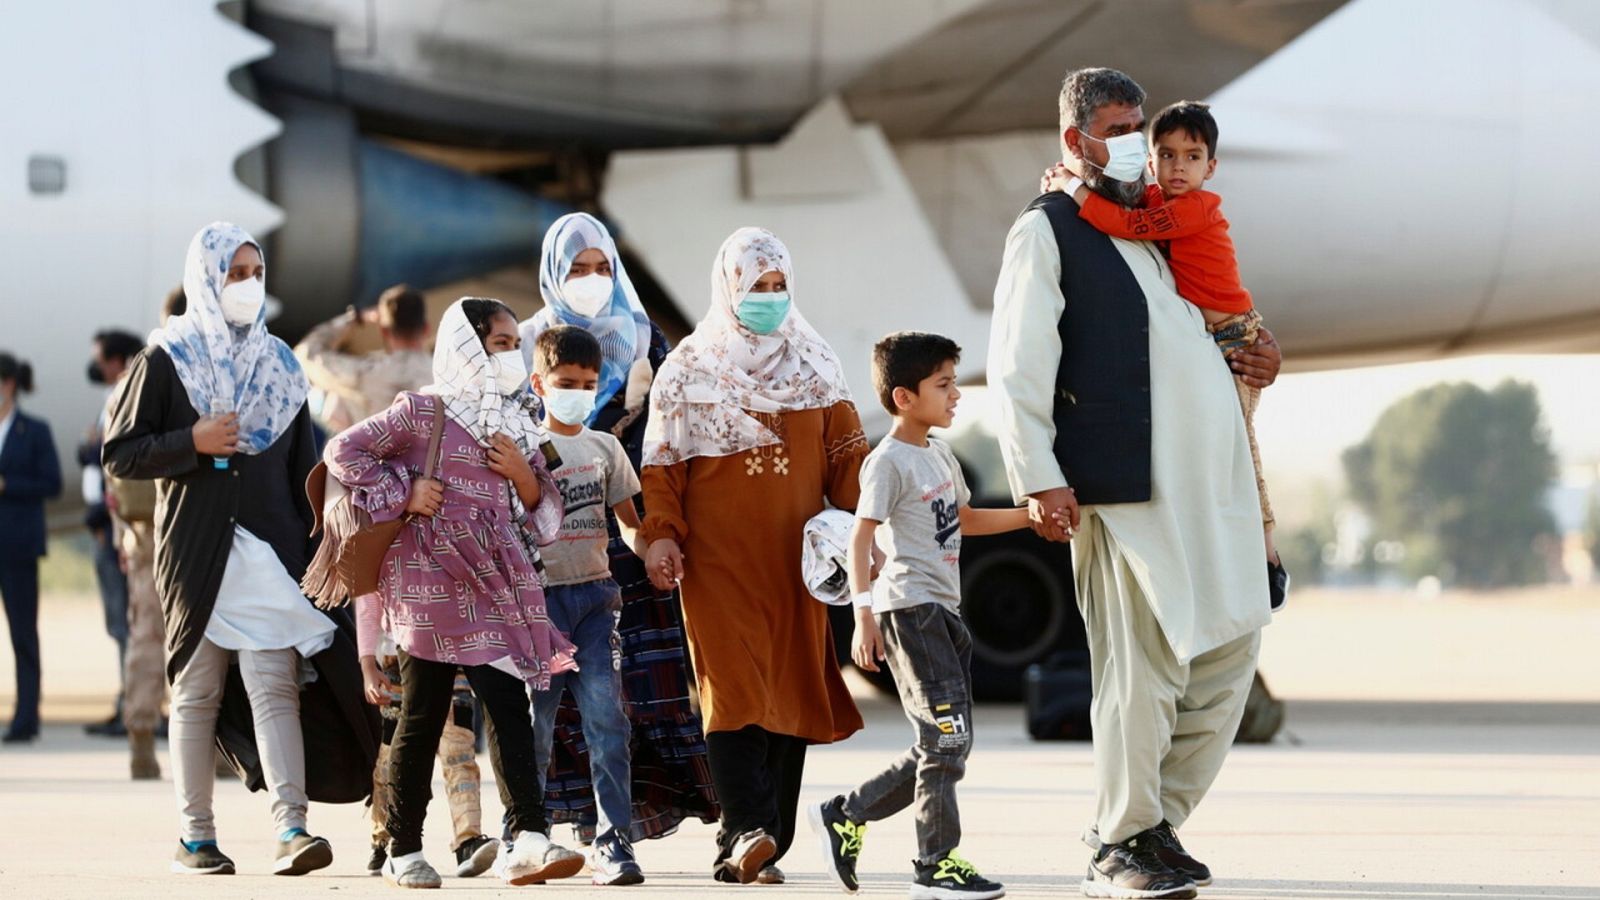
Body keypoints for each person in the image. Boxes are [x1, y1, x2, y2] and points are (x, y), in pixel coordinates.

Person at [987, 68, 1282, 899]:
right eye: (1116, 129)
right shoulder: (1048, 228)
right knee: (1140, 673)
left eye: (1137, 127)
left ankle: (1151, 825)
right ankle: (1121, 840)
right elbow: (1017, 366)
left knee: (1231, 649)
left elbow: (1209, 330)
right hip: (1123, 493)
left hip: (1208, 492)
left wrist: (1259, 357)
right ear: (1074, 139)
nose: (1132, 143)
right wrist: (1038, 478)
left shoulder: (1157, 223)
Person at [104, 222, 376, 877]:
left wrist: (324, 545)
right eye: (236, 273)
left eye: (256, 273)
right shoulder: (164, 360)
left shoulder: (279, 363)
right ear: (207, 277)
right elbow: (120, 452)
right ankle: (195, 838)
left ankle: (292, 828)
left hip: (269, 554)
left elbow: (304, 470)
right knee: (197, 690)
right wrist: (190, 442)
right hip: (196, 551)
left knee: (274, 685)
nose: (249, 285)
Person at [326, 297, 584, 890]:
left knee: (508, 706)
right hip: (428, 584)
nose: (510, 355)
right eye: (499, 344)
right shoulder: (421, 412)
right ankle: (403, 848)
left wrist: (523, 475)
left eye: (514, 344)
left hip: (495, 583)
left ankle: (530, 837)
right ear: (467, 346)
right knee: (422, 714)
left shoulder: (520, 421)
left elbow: (548, 516)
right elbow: (344, 452)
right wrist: (406, 490)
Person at [640, 227, 869, 884]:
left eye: (778, 285)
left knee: (790, 694)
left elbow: (847, 465)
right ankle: (746, 826)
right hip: (716, 566)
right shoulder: (687, 370)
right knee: (734, 691)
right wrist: (662, 533)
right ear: (728, 287)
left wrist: (880, 512)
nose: (769, 297)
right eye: (756, 286)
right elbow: (663, 465)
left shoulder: (817, 365)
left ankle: (759, 843)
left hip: (799, 567)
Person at [519, 212, 718, 852]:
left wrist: (660, 532)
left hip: (628, 538)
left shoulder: (643, 341)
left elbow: (672, 441)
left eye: (602, 267)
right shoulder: (525, 345)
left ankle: (620, 825)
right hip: (547, 550)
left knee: (631, 691)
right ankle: (548, 826)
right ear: (554, 273)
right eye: (577, 268)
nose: (592, 279)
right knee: (553, 704)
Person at [1041, 100, 1287, 605]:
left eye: (1192, 157)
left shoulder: (1196, 207)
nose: (1179, 167)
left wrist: (1072, 188)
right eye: (1168, 155)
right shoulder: (1157, 198)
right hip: (1208, 339)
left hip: (1235, 336)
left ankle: (1266, 556)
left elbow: (1127, 225)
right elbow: (1125, 206)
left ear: (1210, 167)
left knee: (1241, 448)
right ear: (1151, 162)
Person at [811, 332, 1025, 900]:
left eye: (954, 382)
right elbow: (860, 539)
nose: (956, 394)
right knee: (946, 740)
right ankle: (935, 865)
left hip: (945, 611)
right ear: (904, 397)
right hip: (910, 610)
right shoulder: (887, 462)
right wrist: (863, 615)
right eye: (944, 384)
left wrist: (1030, 517)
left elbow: (967, 519)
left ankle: (846, 813)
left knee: (946, 741)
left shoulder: (939, 454)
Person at [526, 324, 648, 885]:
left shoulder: (606, 448)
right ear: (539, 384)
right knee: (536, 724)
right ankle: (526, 833)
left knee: (607, 720)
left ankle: (612, 838)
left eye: (588, 383)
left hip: (596, 598)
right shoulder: (523, 450)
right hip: (540, 606)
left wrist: (653, 552)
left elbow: (629, 523)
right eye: (566, 383)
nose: (579, 392)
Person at [95, 328, 170, 777]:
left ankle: (141, 735)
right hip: (184, 528)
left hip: (141, 534)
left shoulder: (120, 394)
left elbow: (113, 477)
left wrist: (121, 534)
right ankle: (218, 746)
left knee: (145, 634)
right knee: (205, 636)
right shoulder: (191, 375)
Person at [80, 331, 143, 737]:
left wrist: (91, 449)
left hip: (117, 531)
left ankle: (135, 709)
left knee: (130, 625)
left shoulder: (127, 398)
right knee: (120, 625)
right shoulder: (114, 398)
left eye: (101, 358)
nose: (96, 366)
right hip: (108, 530)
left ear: (118, 361)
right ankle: (128, 702)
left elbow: (115, 463)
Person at [0, 352, 63, 745]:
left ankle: (26, 717)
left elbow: (52, 484)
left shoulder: (34, 431)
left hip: (18, 547)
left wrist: (9, 486)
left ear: (8, 385)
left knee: (23, 634)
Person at [294, 283, 433, 434]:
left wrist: (354, 318)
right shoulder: (442, 373)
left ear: (384, 331)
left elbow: (306, 354)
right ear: (426, 329)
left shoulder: (364, 373)